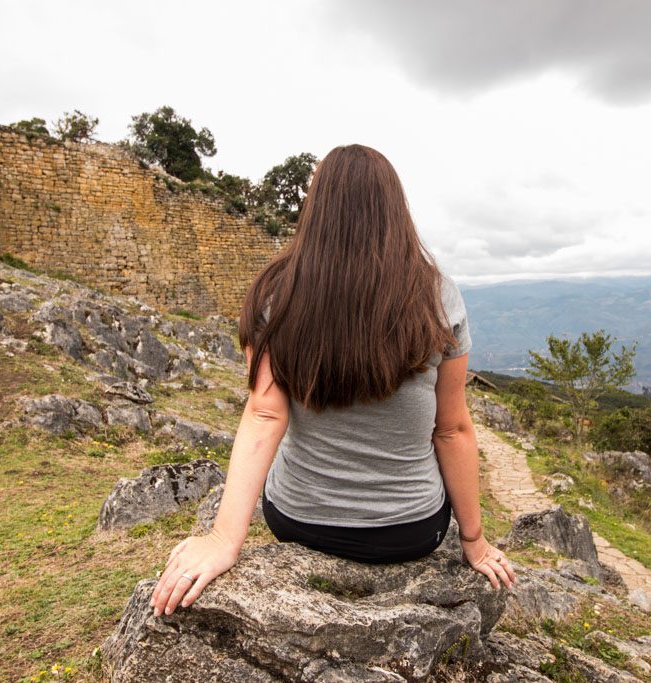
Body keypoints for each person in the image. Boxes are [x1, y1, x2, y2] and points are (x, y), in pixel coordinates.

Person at [150, 144, 516, 617]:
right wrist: (475, 541)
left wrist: (224, 538)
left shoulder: (273, 292)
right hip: (410, 531)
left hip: (298, 521)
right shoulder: (437, 294)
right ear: (394, 208)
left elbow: (264, 414)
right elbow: (452, 429)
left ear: (316, 206)